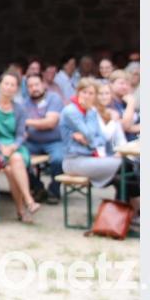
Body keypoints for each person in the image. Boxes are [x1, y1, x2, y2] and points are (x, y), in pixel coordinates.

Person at [60, 78, 139, 210]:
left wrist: (89, 139)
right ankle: (131, 208)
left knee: (122, 177)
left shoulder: (90, 111)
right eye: (85, 92)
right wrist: (91, 117)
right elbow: (91, 136)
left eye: (91, 93)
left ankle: (123, 214)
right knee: (125, 165)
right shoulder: (72, 111)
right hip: (74, 161)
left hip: (91, 157)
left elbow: (100, 139)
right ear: (78, 92)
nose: (88, 96)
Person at [0, 71, 41, 222]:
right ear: (0, 85)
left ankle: (22, 209)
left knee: (13, 163)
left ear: (16, 88)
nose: (9, 87)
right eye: (6, 84)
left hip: (16, 147)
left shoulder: (20, 109)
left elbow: (21, 134)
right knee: (12, 165)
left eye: (12, 85)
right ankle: (28, 202)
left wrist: (14, 146)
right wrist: (1, 146)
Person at [22, 73, 65, 204]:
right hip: (32, 142)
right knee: (18, 159)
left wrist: (28, 122)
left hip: (54, 141)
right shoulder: (24, 103)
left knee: (58, 160)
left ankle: (54, 190)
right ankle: (37, 187)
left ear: (43, 85)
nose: (34, 88)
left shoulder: (54, 98)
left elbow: (50, 123)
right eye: (30, 86)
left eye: (36, 85)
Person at [95, 82, 127, 155]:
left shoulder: (111, 112)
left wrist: (122, 152)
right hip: (97, 156)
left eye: (107, 93)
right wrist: (113, 120)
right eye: (100, 94)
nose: (104, 97)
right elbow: (105, 136)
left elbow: (121, 139)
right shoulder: (93, 112)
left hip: (111, 154)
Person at [109, 70, 140, 141]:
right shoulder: (109, 103)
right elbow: (124, 126)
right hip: (120, 146)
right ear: (111, 84)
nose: (125, 87)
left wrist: (131, 128)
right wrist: (131, 104)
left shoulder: (125, 101)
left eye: (128, 84)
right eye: (121, 83)